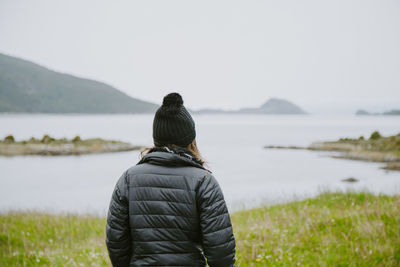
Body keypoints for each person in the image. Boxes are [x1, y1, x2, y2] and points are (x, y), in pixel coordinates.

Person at [106, 93, 236, 266]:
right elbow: (220, 250)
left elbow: (116, 241)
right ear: (191, 139)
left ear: (156, 138)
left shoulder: (129, 179)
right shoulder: (204, 181)